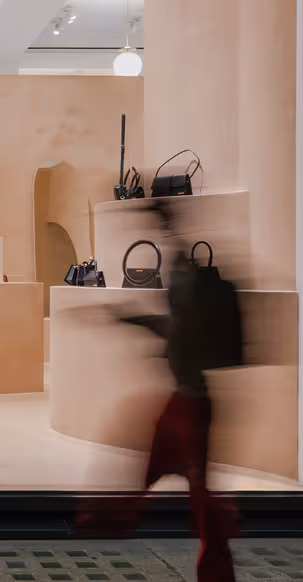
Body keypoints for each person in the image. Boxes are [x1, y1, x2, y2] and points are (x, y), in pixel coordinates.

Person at [82, 203, 243, 582]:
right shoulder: (183, 265)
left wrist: (132, 318)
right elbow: (179, 327)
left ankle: (100, 524)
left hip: (191, 401)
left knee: (186, 486)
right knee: (189, 487)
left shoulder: (184, 270)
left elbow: (178, 329)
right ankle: (214, 563)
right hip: (189, 397)